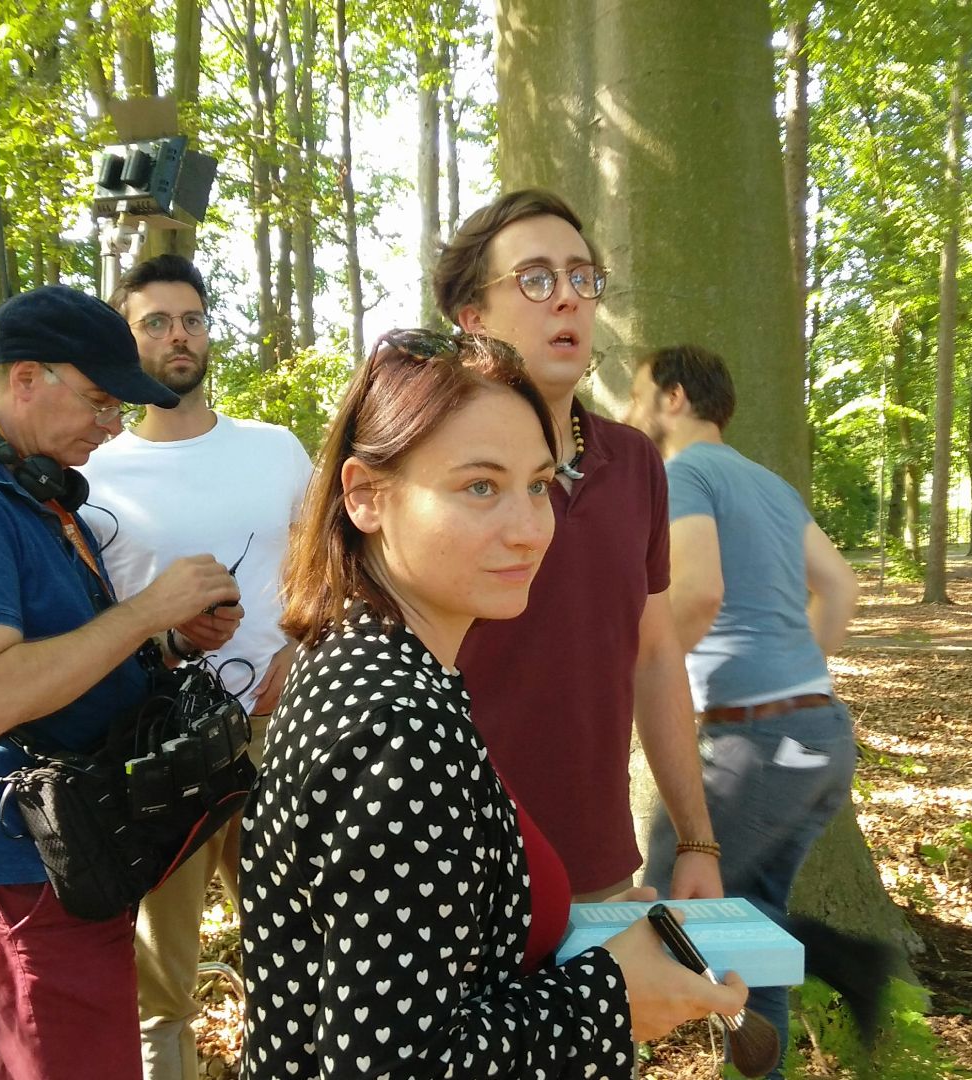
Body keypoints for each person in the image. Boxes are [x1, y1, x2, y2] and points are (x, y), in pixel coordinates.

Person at [239, 329, 747, 1079]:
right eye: (480, 486)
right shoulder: (395, 728)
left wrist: (584, 947)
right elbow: (393, 1066)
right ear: (365, 496)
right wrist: (611, 995)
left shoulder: (366, 658)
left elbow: (424, 970)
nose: (529, 529)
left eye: (538, 485)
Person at [0, 285, 244, 1079]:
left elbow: (68, 653)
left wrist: (169, 640)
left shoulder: (31, 490)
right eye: (102, 403)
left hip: (68, 859)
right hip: (22, 874)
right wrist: (146, 610)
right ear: (27, 378)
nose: (111, 429)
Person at [432, 190, 722, 904]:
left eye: (582, 277)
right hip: (444, 863)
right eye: (535, 280)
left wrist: (694, 839)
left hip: (595, 869)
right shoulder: (422, 460)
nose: (568, 299)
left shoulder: (635, 463)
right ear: (473, 319)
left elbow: (655, 656)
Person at [78, 254, 313, 1080]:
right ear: (126, 338)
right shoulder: (94, 469)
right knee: (160, 978)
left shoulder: (276, 451)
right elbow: (79, 612)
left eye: (192, 319)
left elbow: (334, 562)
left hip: (277, 731)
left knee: (293, 951)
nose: (178, 336)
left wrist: (303, 645)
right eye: (155, 322)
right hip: (157, 739)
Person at [624, 344, 862, 1077]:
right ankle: (840, 976)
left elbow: (696, 594)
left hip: (761, 744)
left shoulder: (685, 473)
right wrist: (796, 684)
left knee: (647, 915)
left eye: (636, 397)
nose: (629, 414)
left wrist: (647, 695)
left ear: (671, 398)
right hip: (819, 736)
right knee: (748, 931)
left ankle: (847, 963)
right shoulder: (771, 485)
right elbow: (843, 588)